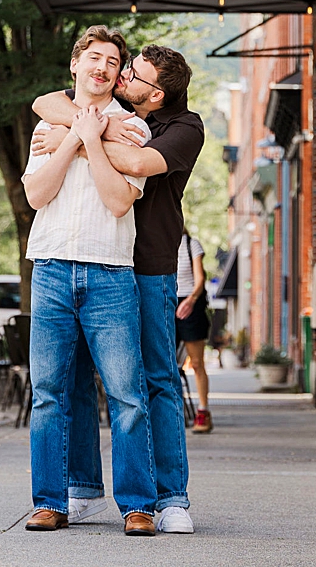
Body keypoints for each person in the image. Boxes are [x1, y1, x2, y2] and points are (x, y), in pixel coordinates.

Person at [32, 43, 206, 531]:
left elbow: (138, 165)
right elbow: (45, 102)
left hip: (146, 266)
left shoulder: (182, 128)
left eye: (133, 74)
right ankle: (82, 490)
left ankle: (170, 497)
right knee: (74, 382)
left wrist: (80, 136)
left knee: (154, 381)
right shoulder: (120, 114)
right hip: (97, 258)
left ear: (155, 95)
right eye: (124, 68)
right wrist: (85, 126)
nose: (122, 76)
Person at [21, 26, 161, 534]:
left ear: (118, 73)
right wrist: (71, 141)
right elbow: (37, 195)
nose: (101, 68)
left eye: (111, 61)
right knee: (49, 393)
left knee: (126, 394)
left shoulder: (133, 130)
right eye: (93, 57)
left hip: (109, 272)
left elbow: (120, 200)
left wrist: (86, 140)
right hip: (52, 267)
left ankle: (138, 506)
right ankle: (50, 501)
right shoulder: (46, 126)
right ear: (76, 64)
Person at [176, 234, 213, 433]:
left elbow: (200, 278)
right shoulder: (160, 240)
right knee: (165, 365)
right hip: (167, 301)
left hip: (190, 304)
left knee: (197, 363)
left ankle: (203, 412)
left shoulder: (191, 244)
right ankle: (171, 412)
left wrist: (190, 300)